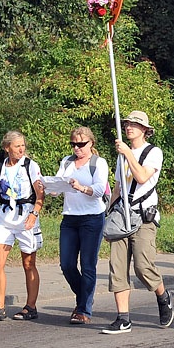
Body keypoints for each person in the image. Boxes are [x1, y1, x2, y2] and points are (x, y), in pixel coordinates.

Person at [102, 110, 173, 334]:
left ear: (144, 129)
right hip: (121, 216)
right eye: (127, 124)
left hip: (143, 217)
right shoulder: (121, 156)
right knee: (118, 267)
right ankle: (123, 318)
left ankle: (163, 296)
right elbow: (117, 187)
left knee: (143, 266)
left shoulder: (153, 152)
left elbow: (142, 177)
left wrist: (128, 154)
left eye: (134, 124)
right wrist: (108, 212)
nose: (129, 127)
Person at [0, 130, 45, 321]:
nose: (21, 149)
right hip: (4, 218)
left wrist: (34, 214)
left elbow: (40, 194)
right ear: (7, 147)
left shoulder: (31, 166)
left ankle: (30, 307)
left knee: (28, 263)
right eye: (17, 146)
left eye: (23, 145)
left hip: (26, 217)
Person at [55, 127, 108, 325]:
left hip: (92, 218)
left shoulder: (98, 163)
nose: (77, 148)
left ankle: (84, 309)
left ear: (91, 143)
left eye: (81, 144)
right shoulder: (67, 161)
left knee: (88, 265)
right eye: (74, 144)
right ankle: (84, 296)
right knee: (66, 264)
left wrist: (80, 187)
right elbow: (60, 183)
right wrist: (50, 186)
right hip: (70, 218)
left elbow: (99, 190)